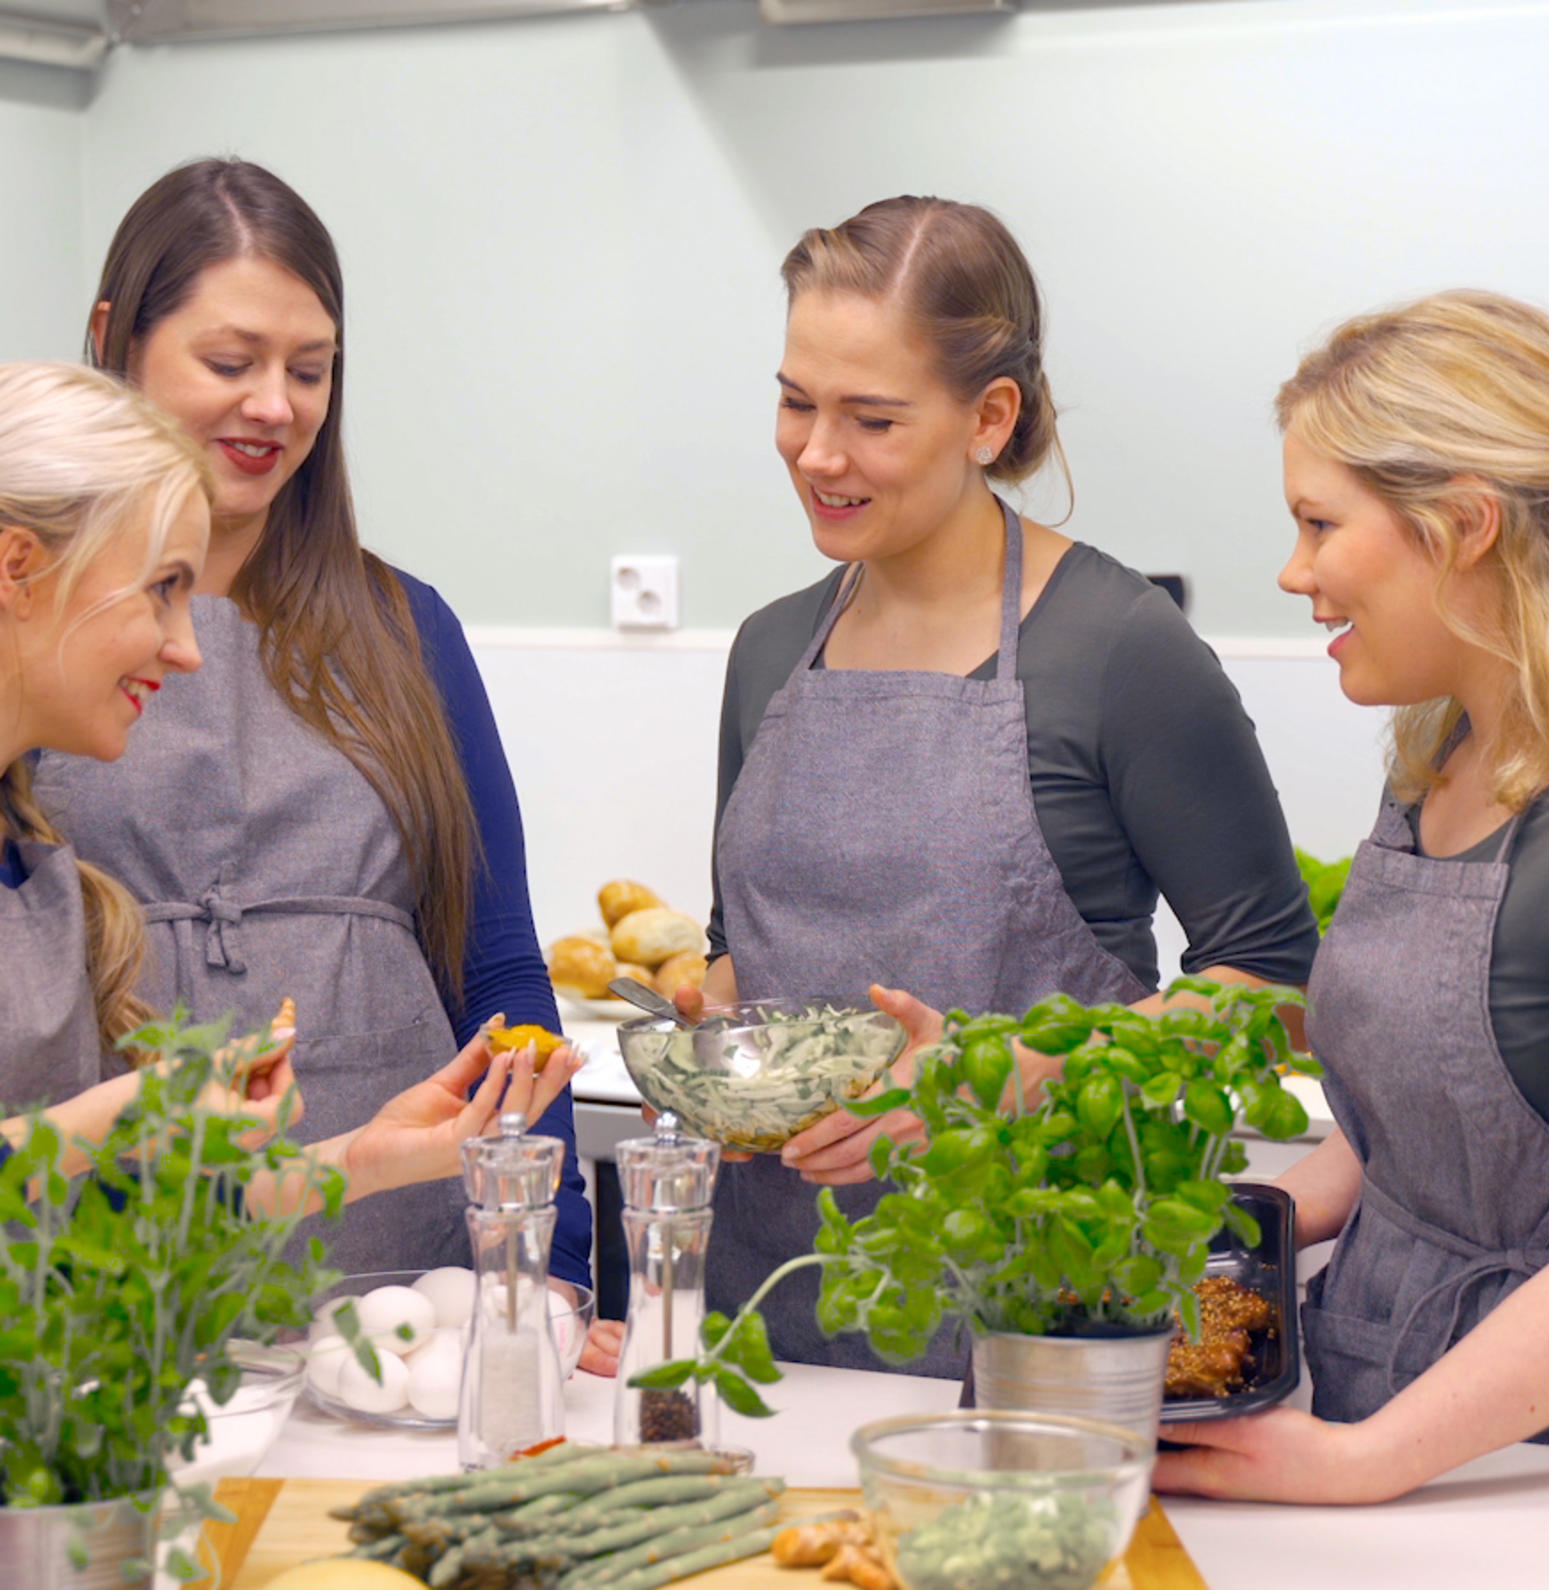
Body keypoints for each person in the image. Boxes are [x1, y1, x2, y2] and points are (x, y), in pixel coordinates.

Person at [699, 196, 1318, 1374]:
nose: (817, 453)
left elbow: (1271, 985)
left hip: (1050, 1324)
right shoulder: (770, 652)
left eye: (871, 418)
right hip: (774, 1326)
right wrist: (718, 1054)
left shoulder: (1119, 648)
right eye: (795, 401)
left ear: (990, 418)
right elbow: (743, 955)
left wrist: (1013, 1076)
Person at [32, 160, 617, 1369]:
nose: (275, 406)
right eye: (231, 361)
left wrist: (545, 1258)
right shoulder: (38, 638)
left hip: (408, 1262)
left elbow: (498, 962)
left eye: (310, 370)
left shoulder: (408, 631)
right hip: (95, 1272)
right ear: (113, 340)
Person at [1156, 291, 1549, 1502]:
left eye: (1318, 524)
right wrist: (1213, 1257)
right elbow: (1416, 1131)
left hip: (1540, 1478)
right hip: (1375, 1394)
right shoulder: (1442, 758)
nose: (1296, 573)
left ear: (1464, 526)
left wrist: (1359, 1466)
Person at [0, 361, 576, 1211]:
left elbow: (86, 1236)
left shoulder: (29, 855)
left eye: (310, 367)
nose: (189, 647)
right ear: (19, 566)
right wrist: (123, 1117)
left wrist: (370, 1159)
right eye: (162, 590)